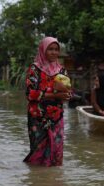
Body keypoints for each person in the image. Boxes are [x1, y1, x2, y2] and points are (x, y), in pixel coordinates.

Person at [24, 36, 71, 167]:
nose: (54, 52)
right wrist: (54, 95)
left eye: (56, 49)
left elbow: (68, 91)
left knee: (56, 151)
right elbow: (30, 94)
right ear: (43, 50)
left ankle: (53, 182)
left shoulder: (61, 71)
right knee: (38, 151)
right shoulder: (34, 69)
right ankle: (37, 180)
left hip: (56, 117)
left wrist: (67, 95)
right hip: (37, 116)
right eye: (50, 49)